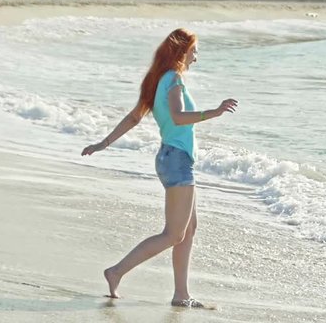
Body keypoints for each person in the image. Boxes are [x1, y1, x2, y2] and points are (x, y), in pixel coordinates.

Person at [81, 28, 238, 307]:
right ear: (183, 51)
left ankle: (181, 295)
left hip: (171, 158)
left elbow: (133, 118)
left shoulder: (157, 80)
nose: (196, 58)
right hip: (177, 160)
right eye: (194, 51)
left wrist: (103, 143)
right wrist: (213, 112)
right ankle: (116, 271)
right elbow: (178, 117)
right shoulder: (174, 80)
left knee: (188, 229)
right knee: (174, 234)